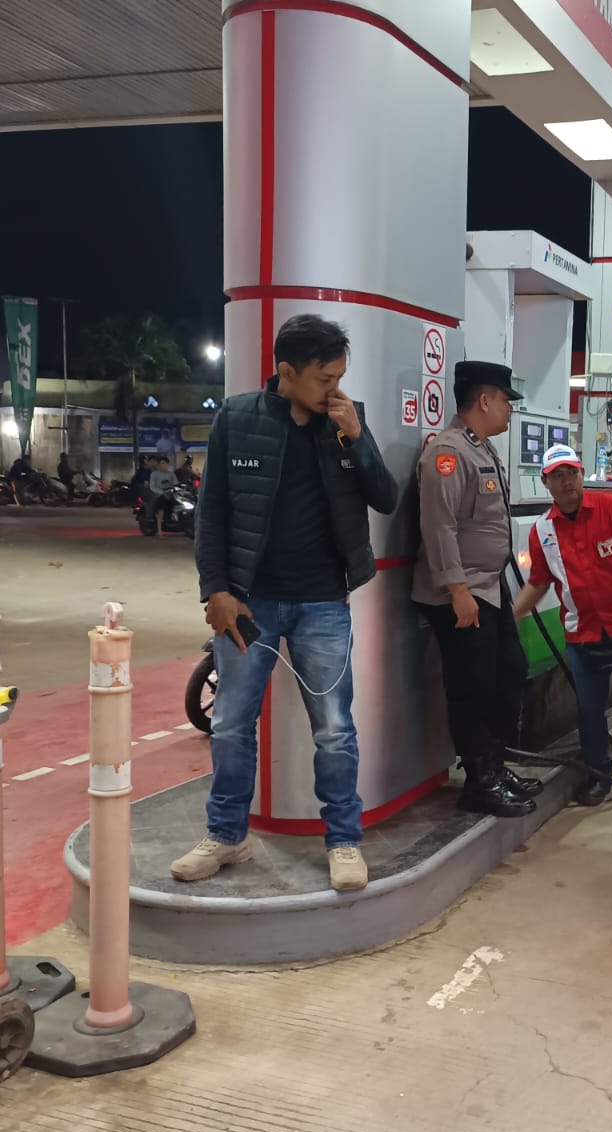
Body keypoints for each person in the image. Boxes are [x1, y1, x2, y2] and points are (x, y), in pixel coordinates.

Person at [173, 314, 398, 891]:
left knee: (334, 728)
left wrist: (358, 437)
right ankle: (227, 835)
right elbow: (212, 514)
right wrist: (215, 590)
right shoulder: (237, 419)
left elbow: (385, 497)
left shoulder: (345, 421)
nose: (334, 389)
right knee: (230, 724)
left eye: (340, 377)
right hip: (250, 604)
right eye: (324, 378)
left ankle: (343, 840)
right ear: (286, 372)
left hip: (323, 603)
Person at [412, 361, 544, 818]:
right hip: (463, 594)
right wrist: (457, 590)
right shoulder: (448, 453)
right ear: (484, 401)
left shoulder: (481, 449)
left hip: (489, 587)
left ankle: (494, 767)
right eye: (506, 400)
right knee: (474, 688)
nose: (510, 409)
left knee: (508, 674)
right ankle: (479, 782)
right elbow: (439, 526)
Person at [512, 444, 612, 806]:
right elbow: (538, 582)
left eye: (572, 472)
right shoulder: (542, 531)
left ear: (582, 474)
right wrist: (511, 617)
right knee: (589, 710)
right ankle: (598, 774)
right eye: (557, 476)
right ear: (545, 482)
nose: (566, 481)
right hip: (582, 635)